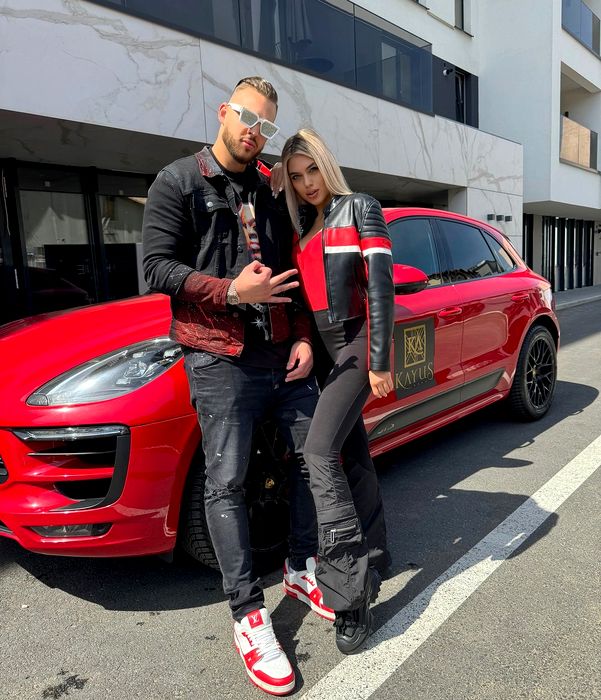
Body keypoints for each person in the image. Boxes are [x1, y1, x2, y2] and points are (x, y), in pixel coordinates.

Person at [143, 77, 331, 697]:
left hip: (281, 353)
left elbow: (291, 270)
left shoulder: (270, 189)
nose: (255, 131)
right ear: (225, 112)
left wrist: (303, 336)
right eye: (247, 117)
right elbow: (155, 268)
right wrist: (230, 291)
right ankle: (249, 615)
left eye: (266, 124)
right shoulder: (178, 181)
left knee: (313, 458)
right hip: (218, 356)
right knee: (226, 482)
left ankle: (300, 567)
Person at [281, 128, 394, 654]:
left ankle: (349, 596)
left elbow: (381, 286)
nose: (307, 183)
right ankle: (377, 555)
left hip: (357, 342)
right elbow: (306, 305)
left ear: (326, 165)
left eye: (312, 170)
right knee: (351, 454)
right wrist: (305, 341)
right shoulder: (302, 230)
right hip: (325, 354)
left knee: (320, 452)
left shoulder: (360, 207)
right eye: (296, 176)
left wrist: (379, 360)